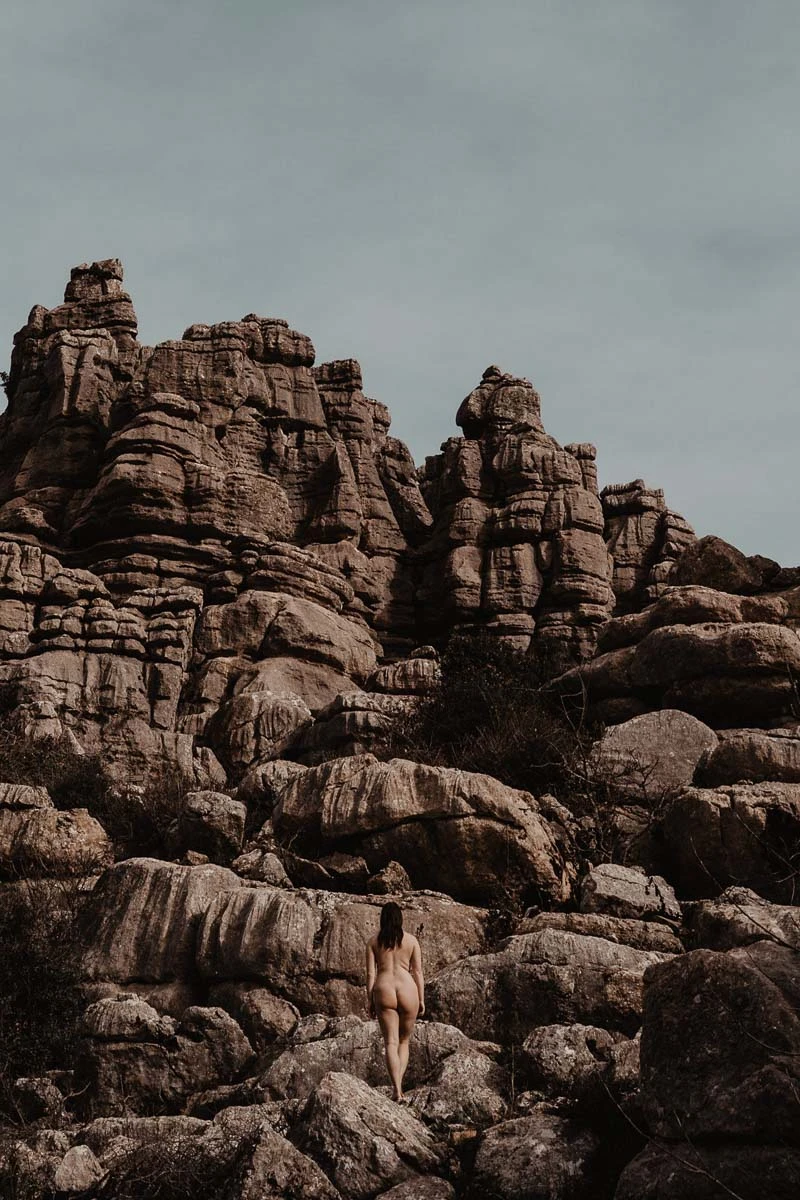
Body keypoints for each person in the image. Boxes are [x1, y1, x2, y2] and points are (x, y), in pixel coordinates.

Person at [365, 902, 425, 1101]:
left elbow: (370, 974)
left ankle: (397, 1090)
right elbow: (417, 972)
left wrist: (370, 1000)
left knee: (390, 1041)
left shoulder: (373, 942)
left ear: (382, 919)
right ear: (400, 919)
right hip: (408, 989)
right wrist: (422, 999)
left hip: (384, 988)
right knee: (404, 1041)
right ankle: (398, 1089)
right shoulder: (411, 941)